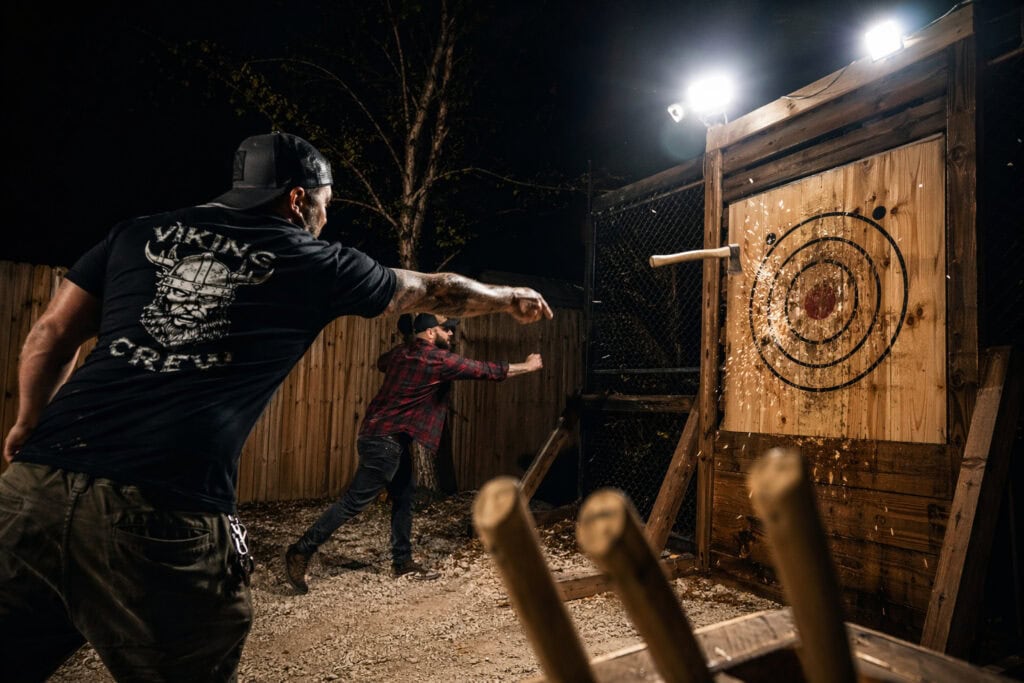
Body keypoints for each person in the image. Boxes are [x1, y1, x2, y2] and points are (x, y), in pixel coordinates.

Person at [0, 131, 552, 682]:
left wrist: (28, 421)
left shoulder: (135, 234)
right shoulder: (313, 260)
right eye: (325, 204)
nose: (325, 219)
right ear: (297, 198)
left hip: (31, 488)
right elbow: (434, 288)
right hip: (163, 502)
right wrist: (508, 298)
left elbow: (50, 334)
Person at [284, 312, 542, 591]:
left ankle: (402, 561)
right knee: (353, 503)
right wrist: (527, 367)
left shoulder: (399, 355)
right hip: (385, 442)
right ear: (431, 333)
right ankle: (301, 550)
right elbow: (483, 369)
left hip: (382, 436)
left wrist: (409, 339)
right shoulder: (436, 359)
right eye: (446, 329)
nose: (452, 334)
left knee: (404, 496)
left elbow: (382, 362)